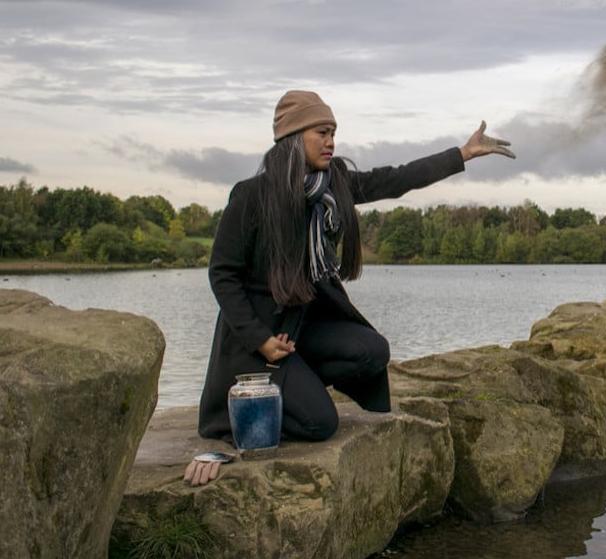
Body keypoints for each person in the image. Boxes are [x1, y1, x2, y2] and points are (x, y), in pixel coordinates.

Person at [186, 90, 512, 485]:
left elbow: (394, 180)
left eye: (333, 133)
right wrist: (260, 339)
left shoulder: (332, 185)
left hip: (301, 331)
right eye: (321, 133)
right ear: (293, 138)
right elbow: (222, 274)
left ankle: (298, 379)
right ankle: (251, 407)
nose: (331, 142)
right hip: (259, 343)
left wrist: (461, 154)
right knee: (321, 423)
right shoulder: (251, 196)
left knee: (372, 350)